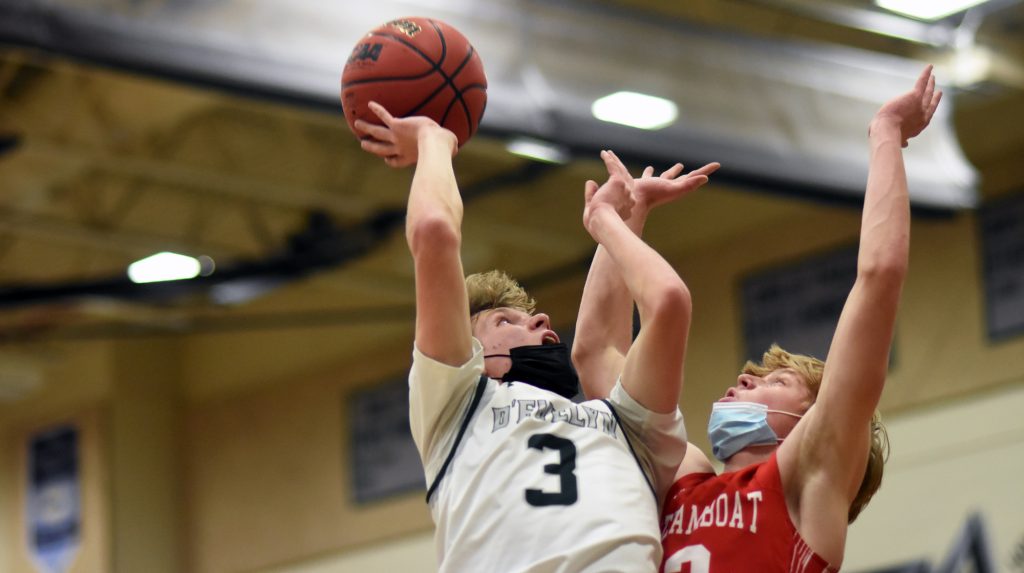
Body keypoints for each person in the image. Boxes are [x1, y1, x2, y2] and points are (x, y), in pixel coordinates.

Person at [572, 65, 942, 572]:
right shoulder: (682, 476)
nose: (744, 377)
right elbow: (595, 354)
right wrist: (627, 218)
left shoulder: (809, 479)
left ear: (813, 417)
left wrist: (886, 133)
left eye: (778, 379)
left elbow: (878, 277)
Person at [354, 101, 709, 571]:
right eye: (506, 322)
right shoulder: (457, 405)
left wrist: (624, 220)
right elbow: (435, 232)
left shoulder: (630, 425)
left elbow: (611, 340)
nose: (541, 321)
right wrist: (433, 141)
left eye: (531, 317)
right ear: (474, 356)